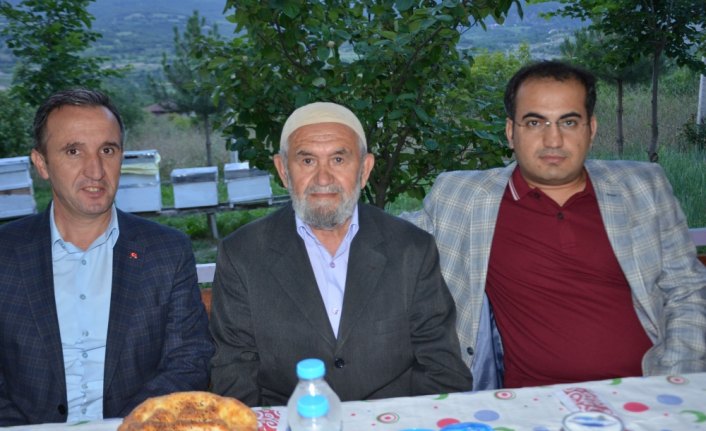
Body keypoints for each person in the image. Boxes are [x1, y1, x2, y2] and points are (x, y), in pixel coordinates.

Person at [403, 60, 706, 390]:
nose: (553, 140)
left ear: (591, 129)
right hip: (534, 401)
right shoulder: (462, 197)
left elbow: (687, 292)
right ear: (511, 132)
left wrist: (671, 383)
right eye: (535, 122)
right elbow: (384, 239)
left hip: (649, 390)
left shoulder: (643, 187)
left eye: (569, 122)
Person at [209, 102, 472, 406]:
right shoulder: (242, 255)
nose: (323, 179)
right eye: (307, 160)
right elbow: (234, 372)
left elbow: (441, 367)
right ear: (283, 170)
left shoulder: (411, 249)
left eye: (338, 159)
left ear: (364, 169)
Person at [0, 89, 214, 426]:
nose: (96, 170)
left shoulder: (167, 252)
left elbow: (189, 361)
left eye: (107, 150)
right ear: (41, 163)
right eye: (73, 151)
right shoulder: (6, 255)